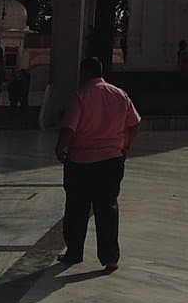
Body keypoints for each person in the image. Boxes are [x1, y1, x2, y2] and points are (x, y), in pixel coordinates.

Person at [55, 56, 141, 272]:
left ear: (84, 73)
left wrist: (61, 148)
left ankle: (74, 253)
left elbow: (69, 128)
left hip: (81, 161)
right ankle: (110, 257)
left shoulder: (80, 96)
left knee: (77, 208)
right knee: (108, 208)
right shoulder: (119, 94)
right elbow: (134, 123)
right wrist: (124, 146)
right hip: (112, 160)